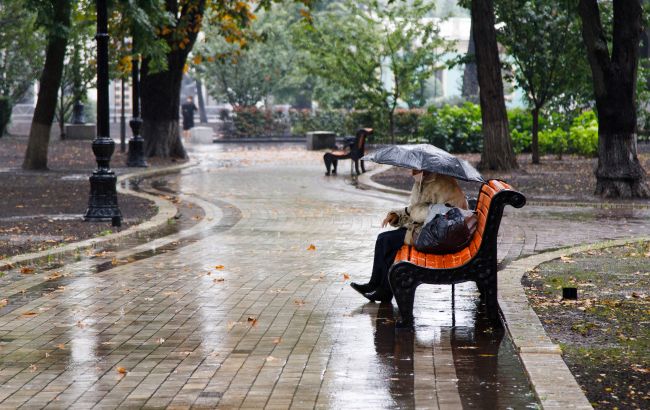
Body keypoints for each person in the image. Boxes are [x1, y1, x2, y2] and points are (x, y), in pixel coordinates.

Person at [350, 170, 469, 302]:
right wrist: (397, 215)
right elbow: (414, 209)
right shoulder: (423, 181)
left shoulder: (442, 184)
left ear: (425, 167)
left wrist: (418, 213)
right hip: (425, 230)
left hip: (436, 236)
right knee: (385, 241)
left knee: (386, 241)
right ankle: (379, 287)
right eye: (412, 169)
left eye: (416, 169)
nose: (412, 172)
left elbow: (446, 216)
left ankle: (380, 288)